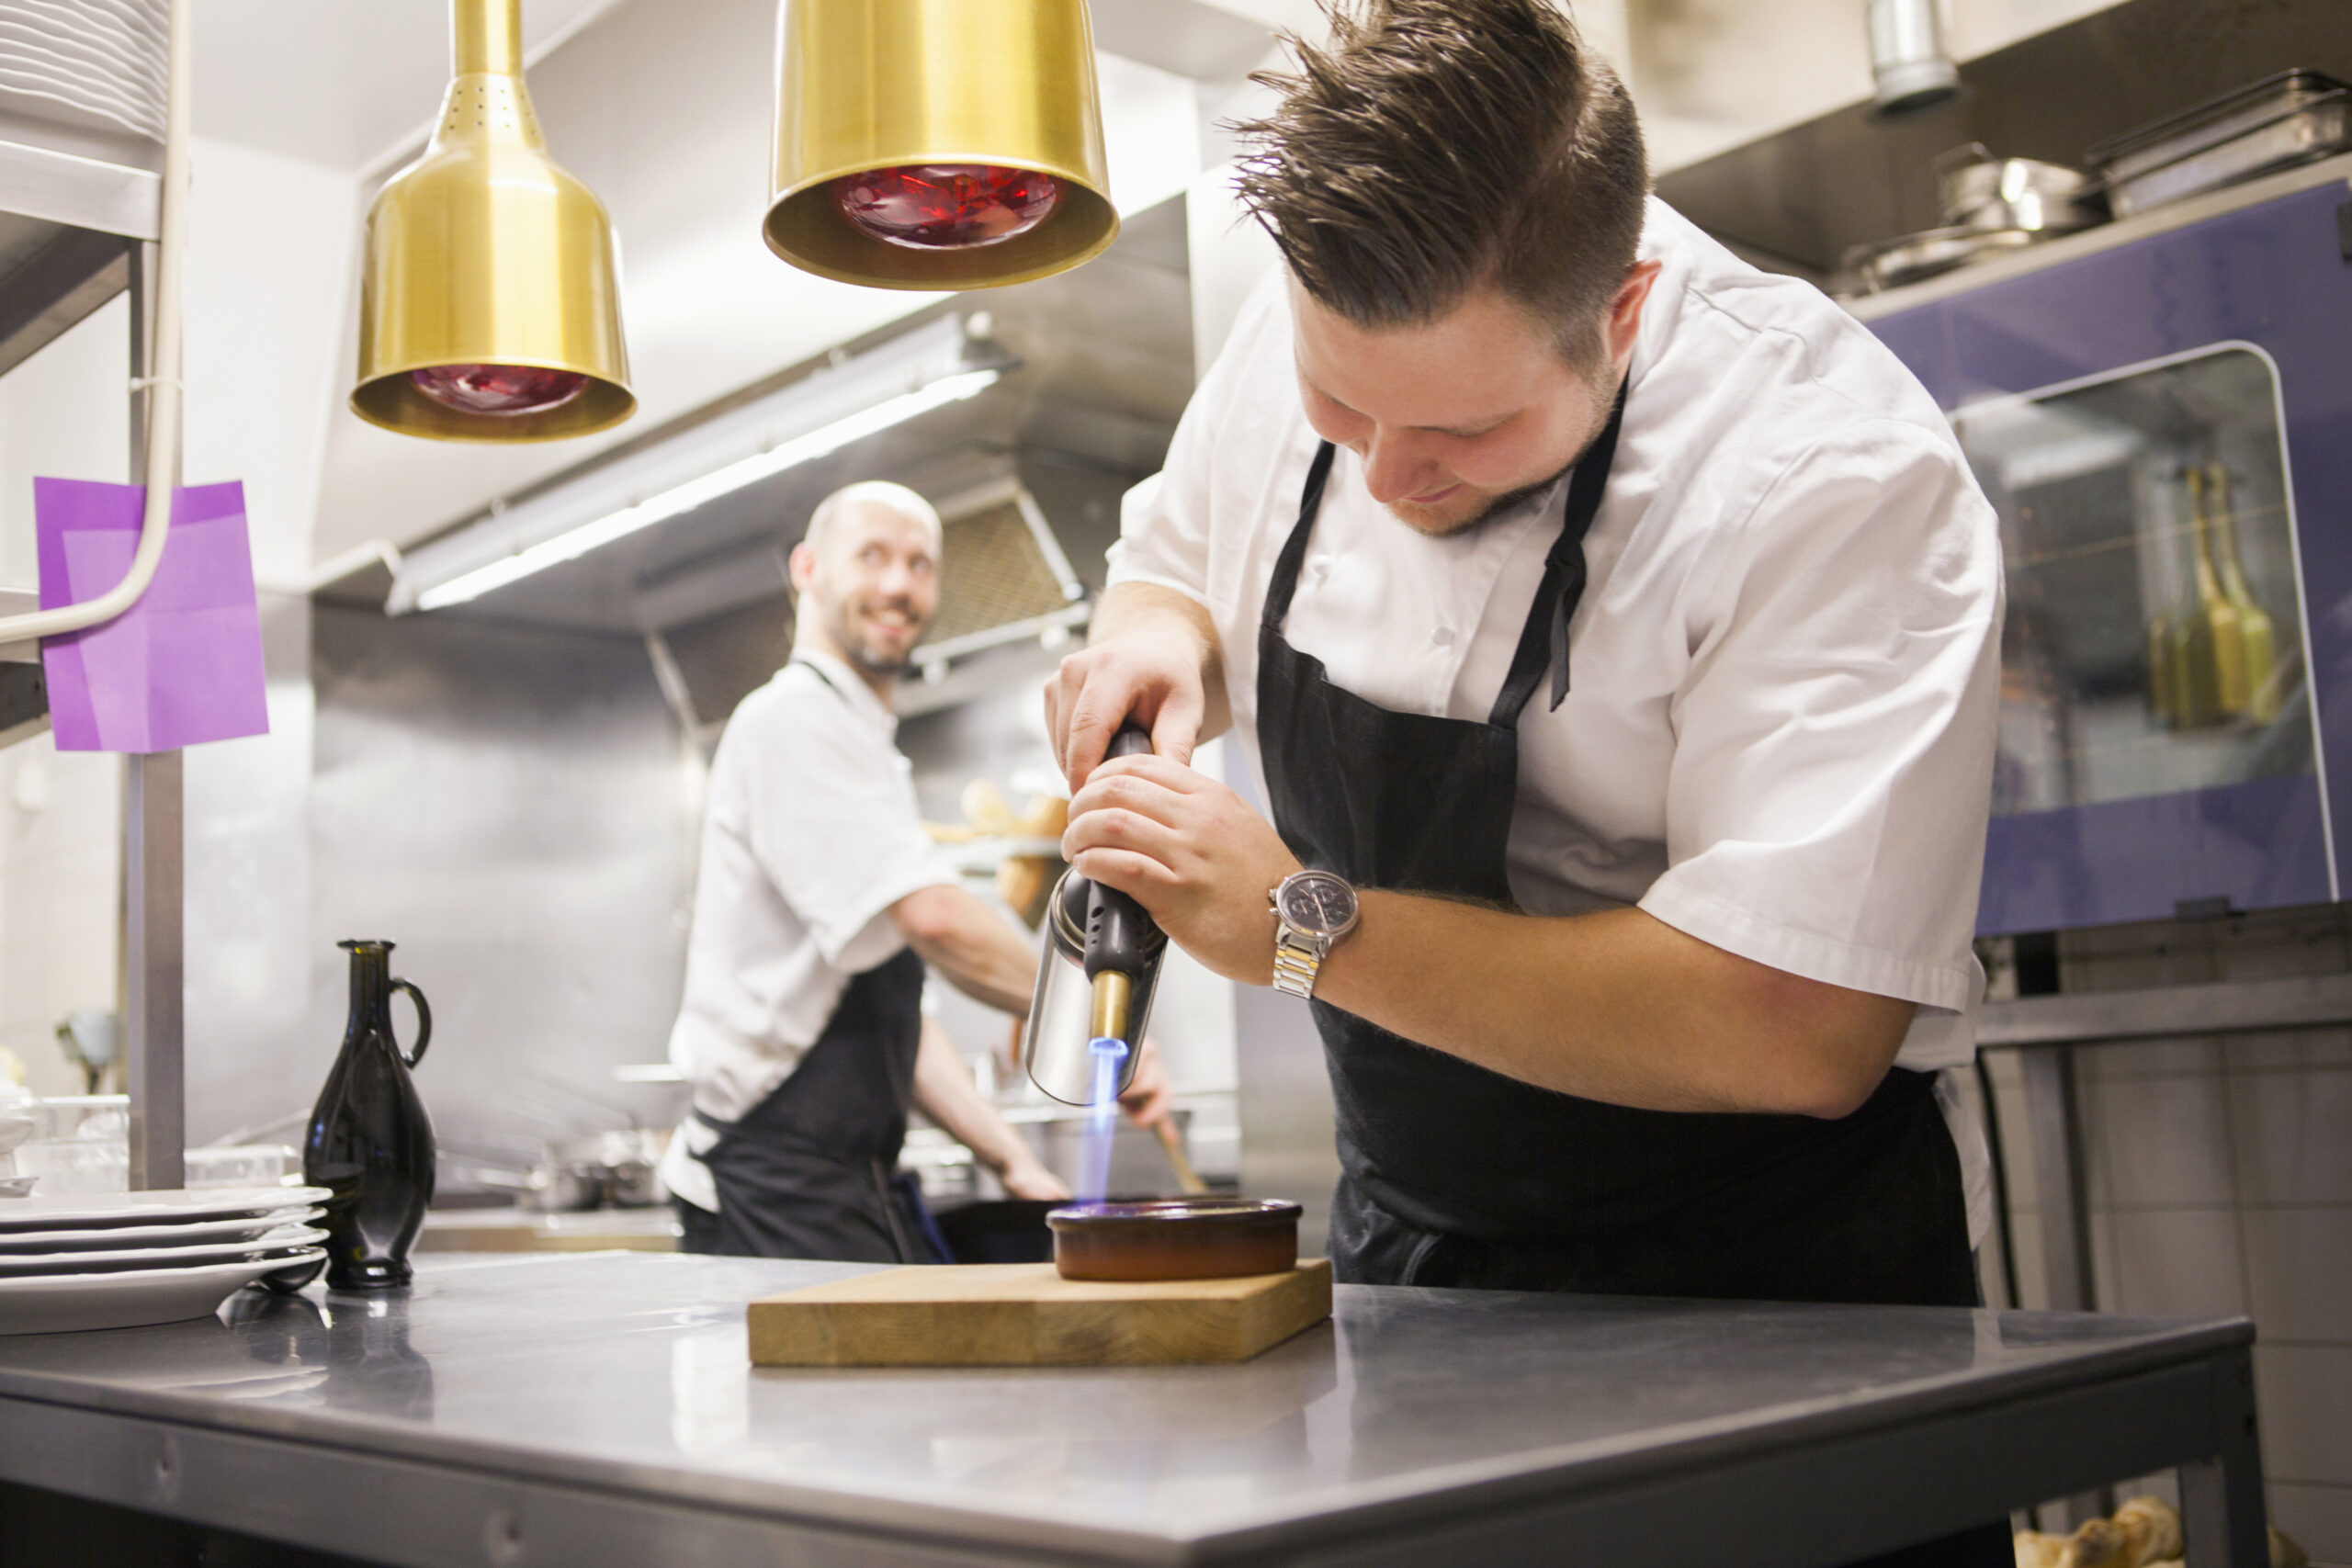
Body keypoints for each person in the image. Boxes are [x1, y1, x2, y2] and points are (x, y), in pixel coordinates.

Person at [1049, 6, 2004, 1562]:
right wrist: (1154, 651)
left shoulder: (1830, 475)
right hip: (1415, 1279)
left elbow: (1796, 1022)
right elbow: (1170, 559)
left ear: (1619, 312)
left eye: (1466, 430)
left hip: (1764, 1302)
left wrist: (1298, 923)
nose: (1384, 477)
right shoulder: (1336, 331)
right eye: (1339, 408)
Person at [663, 480, 1168, 1261]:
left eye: (919, 564)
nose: (899, 584)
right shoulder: (792, 721)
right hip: (767, 1185)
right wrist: (1100, 1016)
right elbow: (934, 918)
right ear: (808, 569)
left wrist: (1012, 1160)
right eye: (872, 556)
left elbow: (895, 1024)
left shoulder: (866, 753)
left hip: (841, 1182)